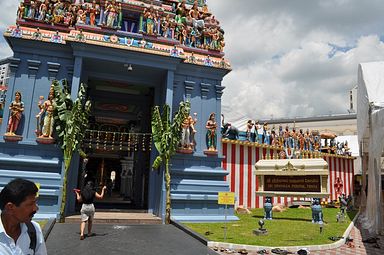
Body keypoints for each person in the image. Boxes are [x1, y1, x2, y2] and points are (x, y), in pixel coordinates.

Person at [0, 178, 47, 255]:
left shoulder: (34, 230)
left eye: (35, 203)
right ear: (10, 207)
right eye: (30, 204)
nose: (36, 208)